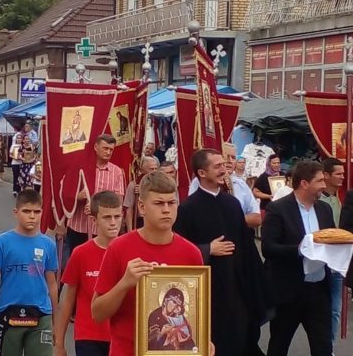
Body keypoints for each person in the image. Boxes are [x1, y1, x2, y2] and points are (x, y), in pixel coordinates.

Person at [91, 172, 204, 356]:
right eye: (159, 203)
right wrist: (124, 284)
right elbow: (97, 313)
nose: (166, 209)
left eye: (172, 203)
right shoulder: (119, 248)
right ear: (142, 207)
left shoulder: (191, 253)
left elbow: (198, 314)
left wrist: (204, 338)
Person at [174, 148, 268, 356]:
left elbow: (247, 246)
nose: (223, 170)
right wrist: (207, 249)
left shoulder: (232, 203)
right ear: (201, 173)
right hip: (208, 291)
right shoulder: (188, 208)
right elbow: (178, 250)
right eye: (217, 166)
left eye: (224, 165)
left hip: (237, 287)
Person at [262, 161, 334, 356]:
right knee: (279, 345)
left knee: (323, 348)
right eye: (319, 181)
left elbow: (330, 240)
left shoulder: (325, 209)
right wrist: (299, 250)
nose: (324, 185)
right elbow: (268, 248)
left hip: (318, 290)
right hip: (289, 292)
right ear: (304, 183)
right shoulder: (278, 209)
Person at [0, 189, 58, 356]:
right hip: (9, 314)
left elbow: (52, 284)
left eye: (37, 212)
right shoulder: (1, 242)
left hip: (41, 315)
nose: (32, 216)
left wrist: (55, 321)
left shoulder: (48, 245)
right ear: (16, 212)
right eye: (26, 211)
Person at [54, 191, 123, 356]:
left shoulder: (131, 252)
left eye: (117, 216)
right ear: (94, 220)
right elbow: (68, 300)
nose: (113, 223)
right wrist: (59, 343)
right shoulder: (81, 253)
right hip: (88, 336)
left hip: (121, 336)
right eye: (107, 217)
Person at [63, 134, 124, 252]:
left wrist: (96, 207)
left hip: (102, 230)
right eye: (105, 148)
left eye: (111, 150)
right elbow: (65, 194)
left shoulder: (116, 172)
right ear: (96, 147)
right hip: (79, 227)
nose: (108, 152)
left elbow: (118, 201)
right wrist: (78, 196)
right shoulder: (80, 168)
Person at [188, 143, 262, 229]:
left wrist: (226, 220)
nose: (230, 161)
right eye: (226, 157)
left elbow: (257, 218)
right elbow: (195, 217)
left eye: (233, 158)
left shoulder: (240, 184)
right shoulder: (199, 182)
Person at [320, 157, 345, 347]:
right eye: (338, 174)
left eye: (343, 174)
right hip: (320, 261)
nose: (342, 177)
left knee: (335, 309)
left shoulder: (339, 198)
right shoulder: (317, 200)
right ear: (326, 175)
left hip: (338, 262)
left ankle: (329, 347)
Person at [124, 156, 158, 231]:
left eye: (156, 168)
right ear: (142, 170)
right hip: (139, 222)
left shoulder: (160, 184)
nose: (154, 171)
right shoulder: (134, 185)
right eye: (151, 169)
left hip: (156, 221)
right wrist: (130, 231)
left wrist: (144, 191)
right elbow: (129, 210)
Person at [10, 133, 23, 197]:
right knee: (16, 176)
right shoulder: (13, 146)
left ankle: (20, 190)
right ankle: (15, 190)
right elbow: (10, 154)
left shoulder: (23, 146)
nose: (19, 139)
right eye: (18, 138)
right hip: (15, 163)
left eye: (20, 138)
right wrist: (14, 157)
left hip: (22, 163)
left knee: (21, 177)